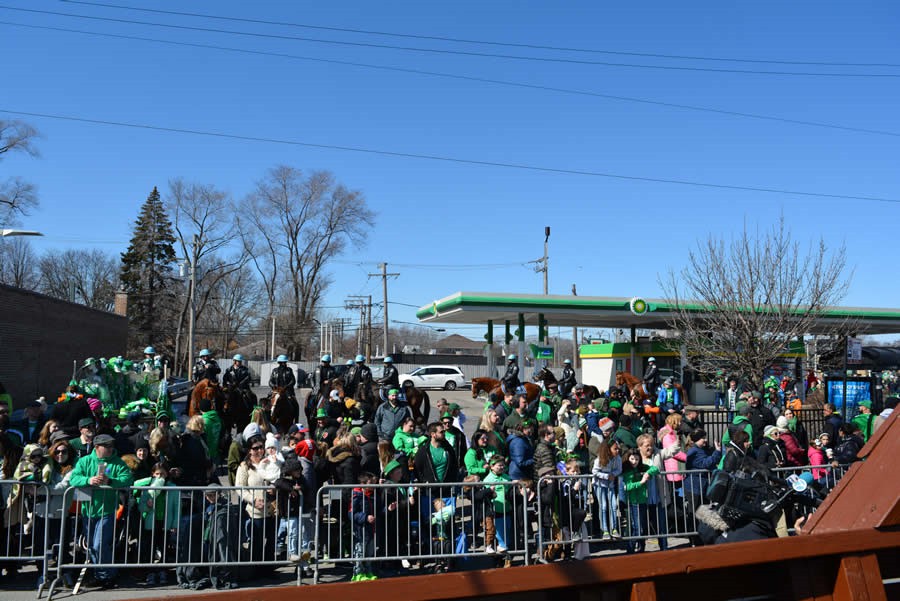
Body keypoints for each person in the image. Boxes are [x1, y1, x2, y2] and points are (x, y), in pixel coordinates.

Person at [67, 433, 133, 589]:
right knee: (91, 546)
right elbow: (73, 478)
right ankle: (102, 574)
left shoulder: (117, 462)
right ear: (97, 447)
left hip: (108, 510)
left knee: (99, 545)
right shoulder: (84, 461)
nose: (110, 449)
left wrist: (110, 481)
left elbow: (127, 479)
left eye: (112, 446)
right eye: (107, 446)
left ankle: (107, 575)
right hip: (87, 511)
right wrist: (88, 480)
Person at [621, 447, 657, 554]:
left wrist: (647, 473)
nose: (634, 462)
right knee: (638, 529)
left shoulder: (641, 467)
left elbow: (655, 469)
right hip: (633, 502)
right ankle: (630, 549)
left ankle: (641, 549)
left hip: (642, 501)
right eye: (632, 459)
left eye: (636, 459)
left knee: (642, 527)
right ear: (628, 458)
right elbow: (627, 486)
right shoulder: (627, 471)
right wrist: (641, 482)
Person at [351, 472, 380, 581]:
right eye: (371, 483)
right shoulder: (356, 495)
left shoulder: (372, 495)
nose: (373, 485)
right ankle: (357, 573)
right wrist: (365, 517)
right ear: (363, 484)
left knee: (369, 552)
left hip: (371, 530)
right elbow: (352, 513)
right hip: (360, 530)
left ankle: (368, 571)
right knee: (360, 552)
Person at [482, 455, 513, 554]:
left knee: (507, 528)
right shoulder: (488, 479)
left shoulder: (507, 477)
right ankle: (502, 545)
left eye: (503, 465)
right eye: (499, 465)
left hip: (507, 507)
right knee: (499, 529)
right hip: (496, 509)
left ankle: (506, 546)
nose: (502, 467)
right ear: (492, 466)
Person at [592, 439, 622, 539]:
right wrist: (606, 476)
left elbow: (619, 469)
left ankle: (614, 528)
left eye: (618, 449)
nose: (617, 451)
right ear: (609, 449)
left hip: (610, 485)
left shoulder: (617, 458)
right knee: (603, 506)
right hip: (599, 485)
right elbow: (594, 472)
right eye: (615, 449)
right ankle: (604, 530)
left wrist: (613, 474)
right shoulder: (600, 459)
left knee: (613, 505)